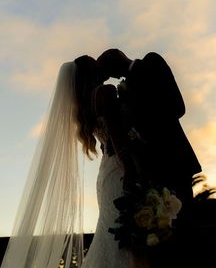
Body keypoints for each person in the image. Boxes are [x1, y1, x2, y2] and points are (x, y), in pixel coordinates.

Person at [1, 55, 142, 268]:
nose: (99, 60)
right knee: (125, 236)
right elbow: (118, 138)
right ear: (89, 74)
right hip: (120, 170)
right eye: (93, 61)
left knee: (113, 236)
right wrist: (131, 171)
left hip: (107, 174)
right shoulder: (104, 93)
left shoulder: (86, 105)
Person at [97, 49, 202, 223]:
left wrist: (141, 129)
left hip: (174, 158)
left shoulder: (151, 62)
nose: (113, 77)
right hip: (151, 169)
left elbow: (177, 107)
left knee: (185, 221)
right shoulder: (124, 89)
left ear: (116, 59)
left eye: (110, 71)